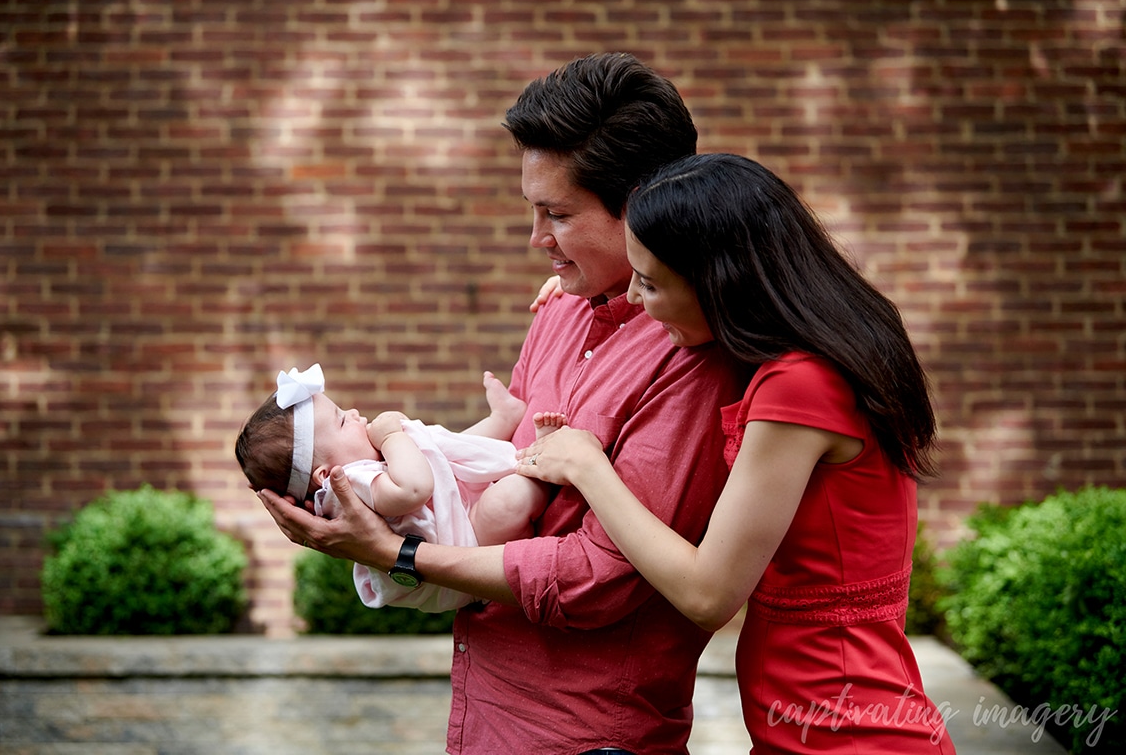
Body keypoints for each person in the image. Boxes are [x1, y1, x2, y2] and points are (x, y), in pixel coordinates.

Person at [257, 53, 742, 754]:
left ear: (643, 204)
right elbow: (491, 471)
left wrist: (398, 553)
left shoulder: (690, 355)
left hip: (585, 734)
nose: (536, 239)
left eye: (559, 214)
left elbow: (597, 581)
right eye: (531, 210)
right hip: (483, 717)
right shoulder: (559, 312)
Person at [517, 153, 957, 753]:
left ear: (718, 280)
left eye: (648, 283)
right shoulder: (829, 349)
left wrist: (590, 468)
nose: (639, 304)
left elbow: (707, 595)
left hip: (848, 735)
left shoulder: (797, 387)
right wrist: (579, 294)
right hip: (810, 728)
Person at [236, 363, 564, 612]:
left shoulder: (358, 468)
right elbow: (414, 489)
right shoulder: (349, 483)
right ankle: (541, 466)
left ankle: (504, 419)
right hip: (467, 546)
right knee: (506, 500)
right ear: (324, 475)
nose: (352, 413)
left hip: (455, 520)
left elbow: (439, 458)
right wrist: (393, 437)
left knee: (437, 447)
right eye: (340, 420)